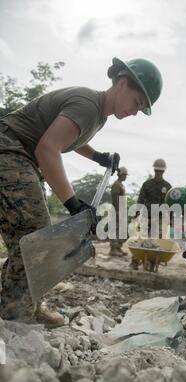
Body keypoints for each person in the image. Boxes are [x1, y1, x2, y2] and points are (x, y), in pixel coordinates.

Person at [0, 57, 163, 326]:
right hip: (9, 151)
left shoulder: (98, 114)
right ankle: (16, 315)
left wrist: (99, 156)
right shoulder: (88, 104)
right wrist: (73, 203)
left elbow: (70, 138)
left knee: (28, 239)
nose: (136, 112)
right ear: (122, 84)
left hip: (19, 155)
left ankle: (23, 304)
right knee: (36, 237)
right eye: (137, 102)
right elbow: (48, 149)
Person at [109, 166, 128, 257]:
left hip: (121, 210)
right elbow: (115, 198)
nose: (126, 176)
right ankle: (113, 249)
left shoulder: (120, 184)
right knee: (115, 229)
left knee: (121, 230)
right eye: (125, 175)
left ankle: (118, 248)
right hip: (117, 210)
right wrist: (117, 210)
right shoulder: (116, 184)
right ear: (121, 174)